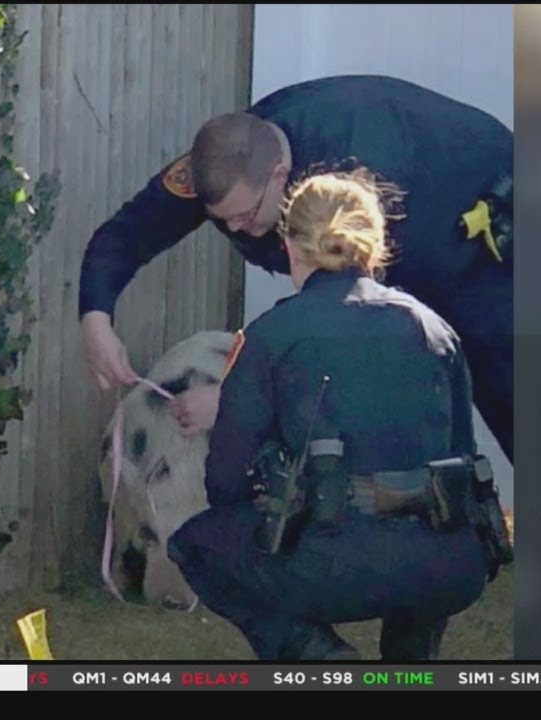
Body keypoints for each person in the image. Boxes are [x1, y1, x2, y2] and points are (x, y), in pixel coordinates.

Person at [78, 75, 514, 462]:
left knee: (509, 391)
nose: (236, 229)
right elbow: (127, 233)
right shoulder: (227, 163)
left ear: (280, 176)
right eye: (222, 221)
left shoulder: (355, 180)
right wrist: (95, 318)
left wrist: (235, 402)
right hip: (428, 223)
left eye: (246, 217)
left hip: (478, 225)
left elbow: (360, 334)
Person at [165, 170, 491, 661]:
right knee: (425, 524)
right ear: (373, 246)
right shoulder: (434, 328)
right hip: (449, 568)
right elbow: (463, 463)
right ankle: (410, 660)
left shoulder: (271, 335)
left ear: (291, 246)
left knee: (195, 544)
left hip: (330, 565)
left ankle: (315, 651)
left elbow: (225, 482)